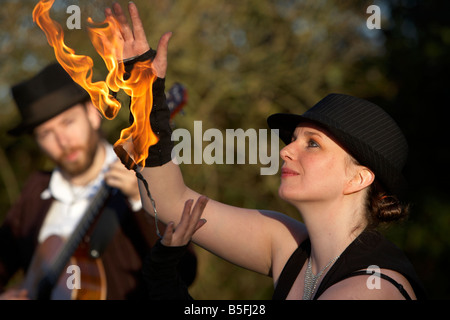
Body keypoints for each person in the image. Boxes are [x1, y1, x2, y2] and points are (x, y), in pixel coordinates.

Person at [108, 2, 428, 300]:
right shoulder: (285, 242)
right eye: (293, 140)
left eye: (312, 143)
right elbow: (168, 202)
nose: (286, 152)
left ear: (358, 178)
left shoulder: (370, 289)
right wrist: (146, 93)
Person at [0, 62, 198, 300]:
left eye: (68, 122)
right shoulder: (35, 191)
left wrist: (139, 200)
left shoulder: (146, 182)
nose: (62, 140)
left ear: (93, 115)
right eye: (46, 133)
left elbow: (185, 269)